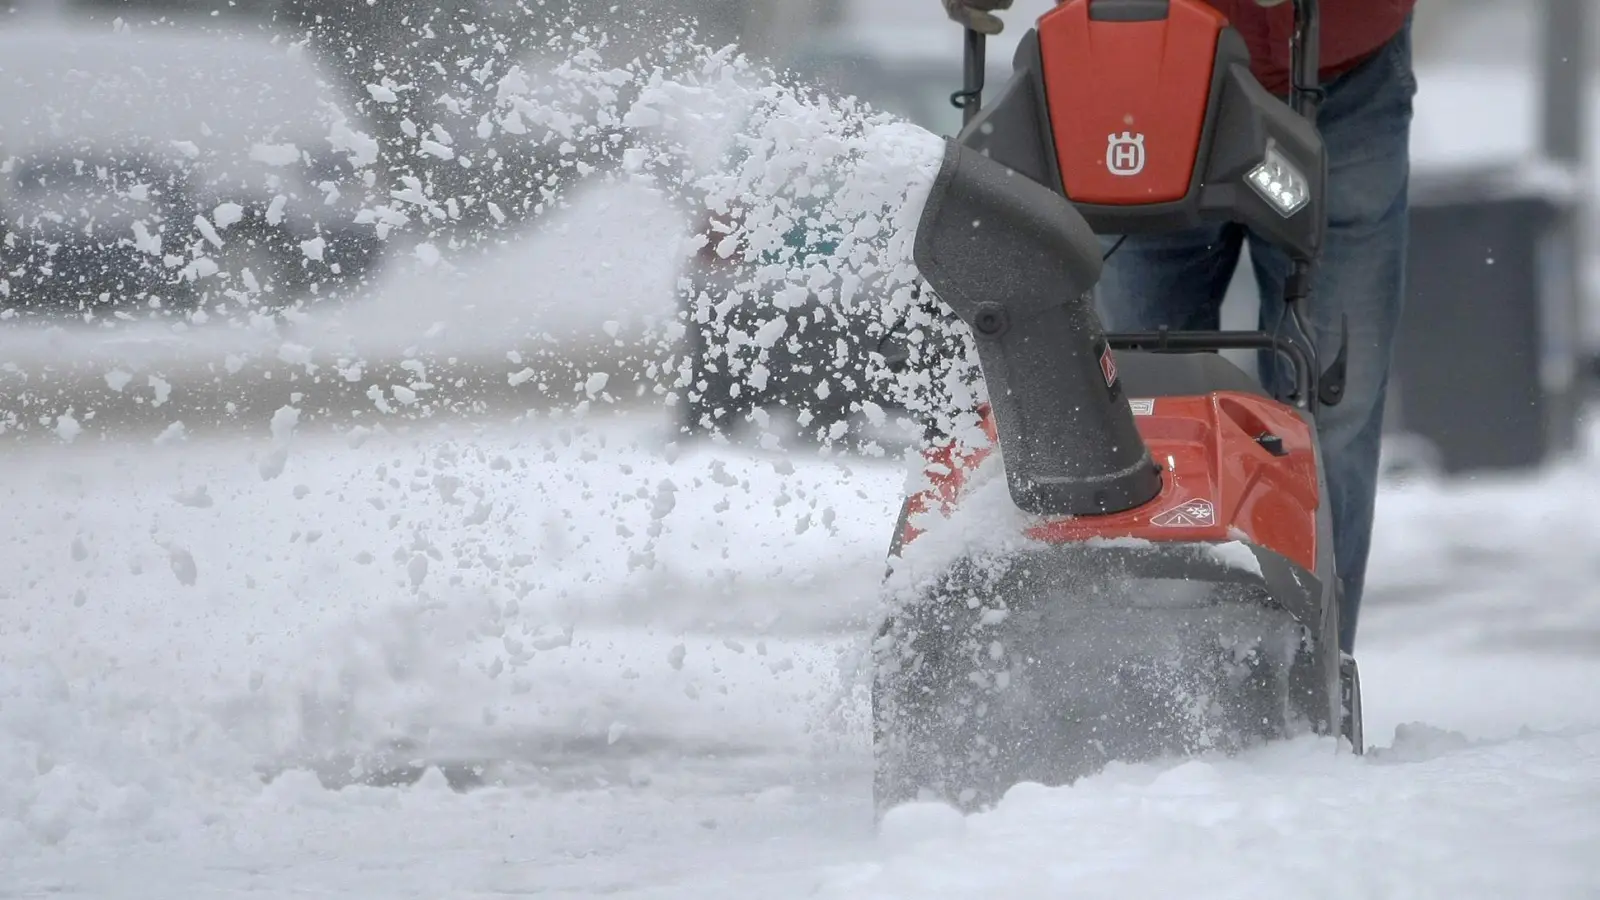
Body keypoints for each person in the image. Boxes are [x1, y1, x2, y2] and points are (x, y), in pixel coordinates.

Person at [940, 0, 1418, 655]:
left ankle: (1310, 665)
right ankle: (1145, 660)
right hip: (1138, 76)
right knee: (1134, 402)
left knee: (1332, 405)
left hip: (1340, 79)